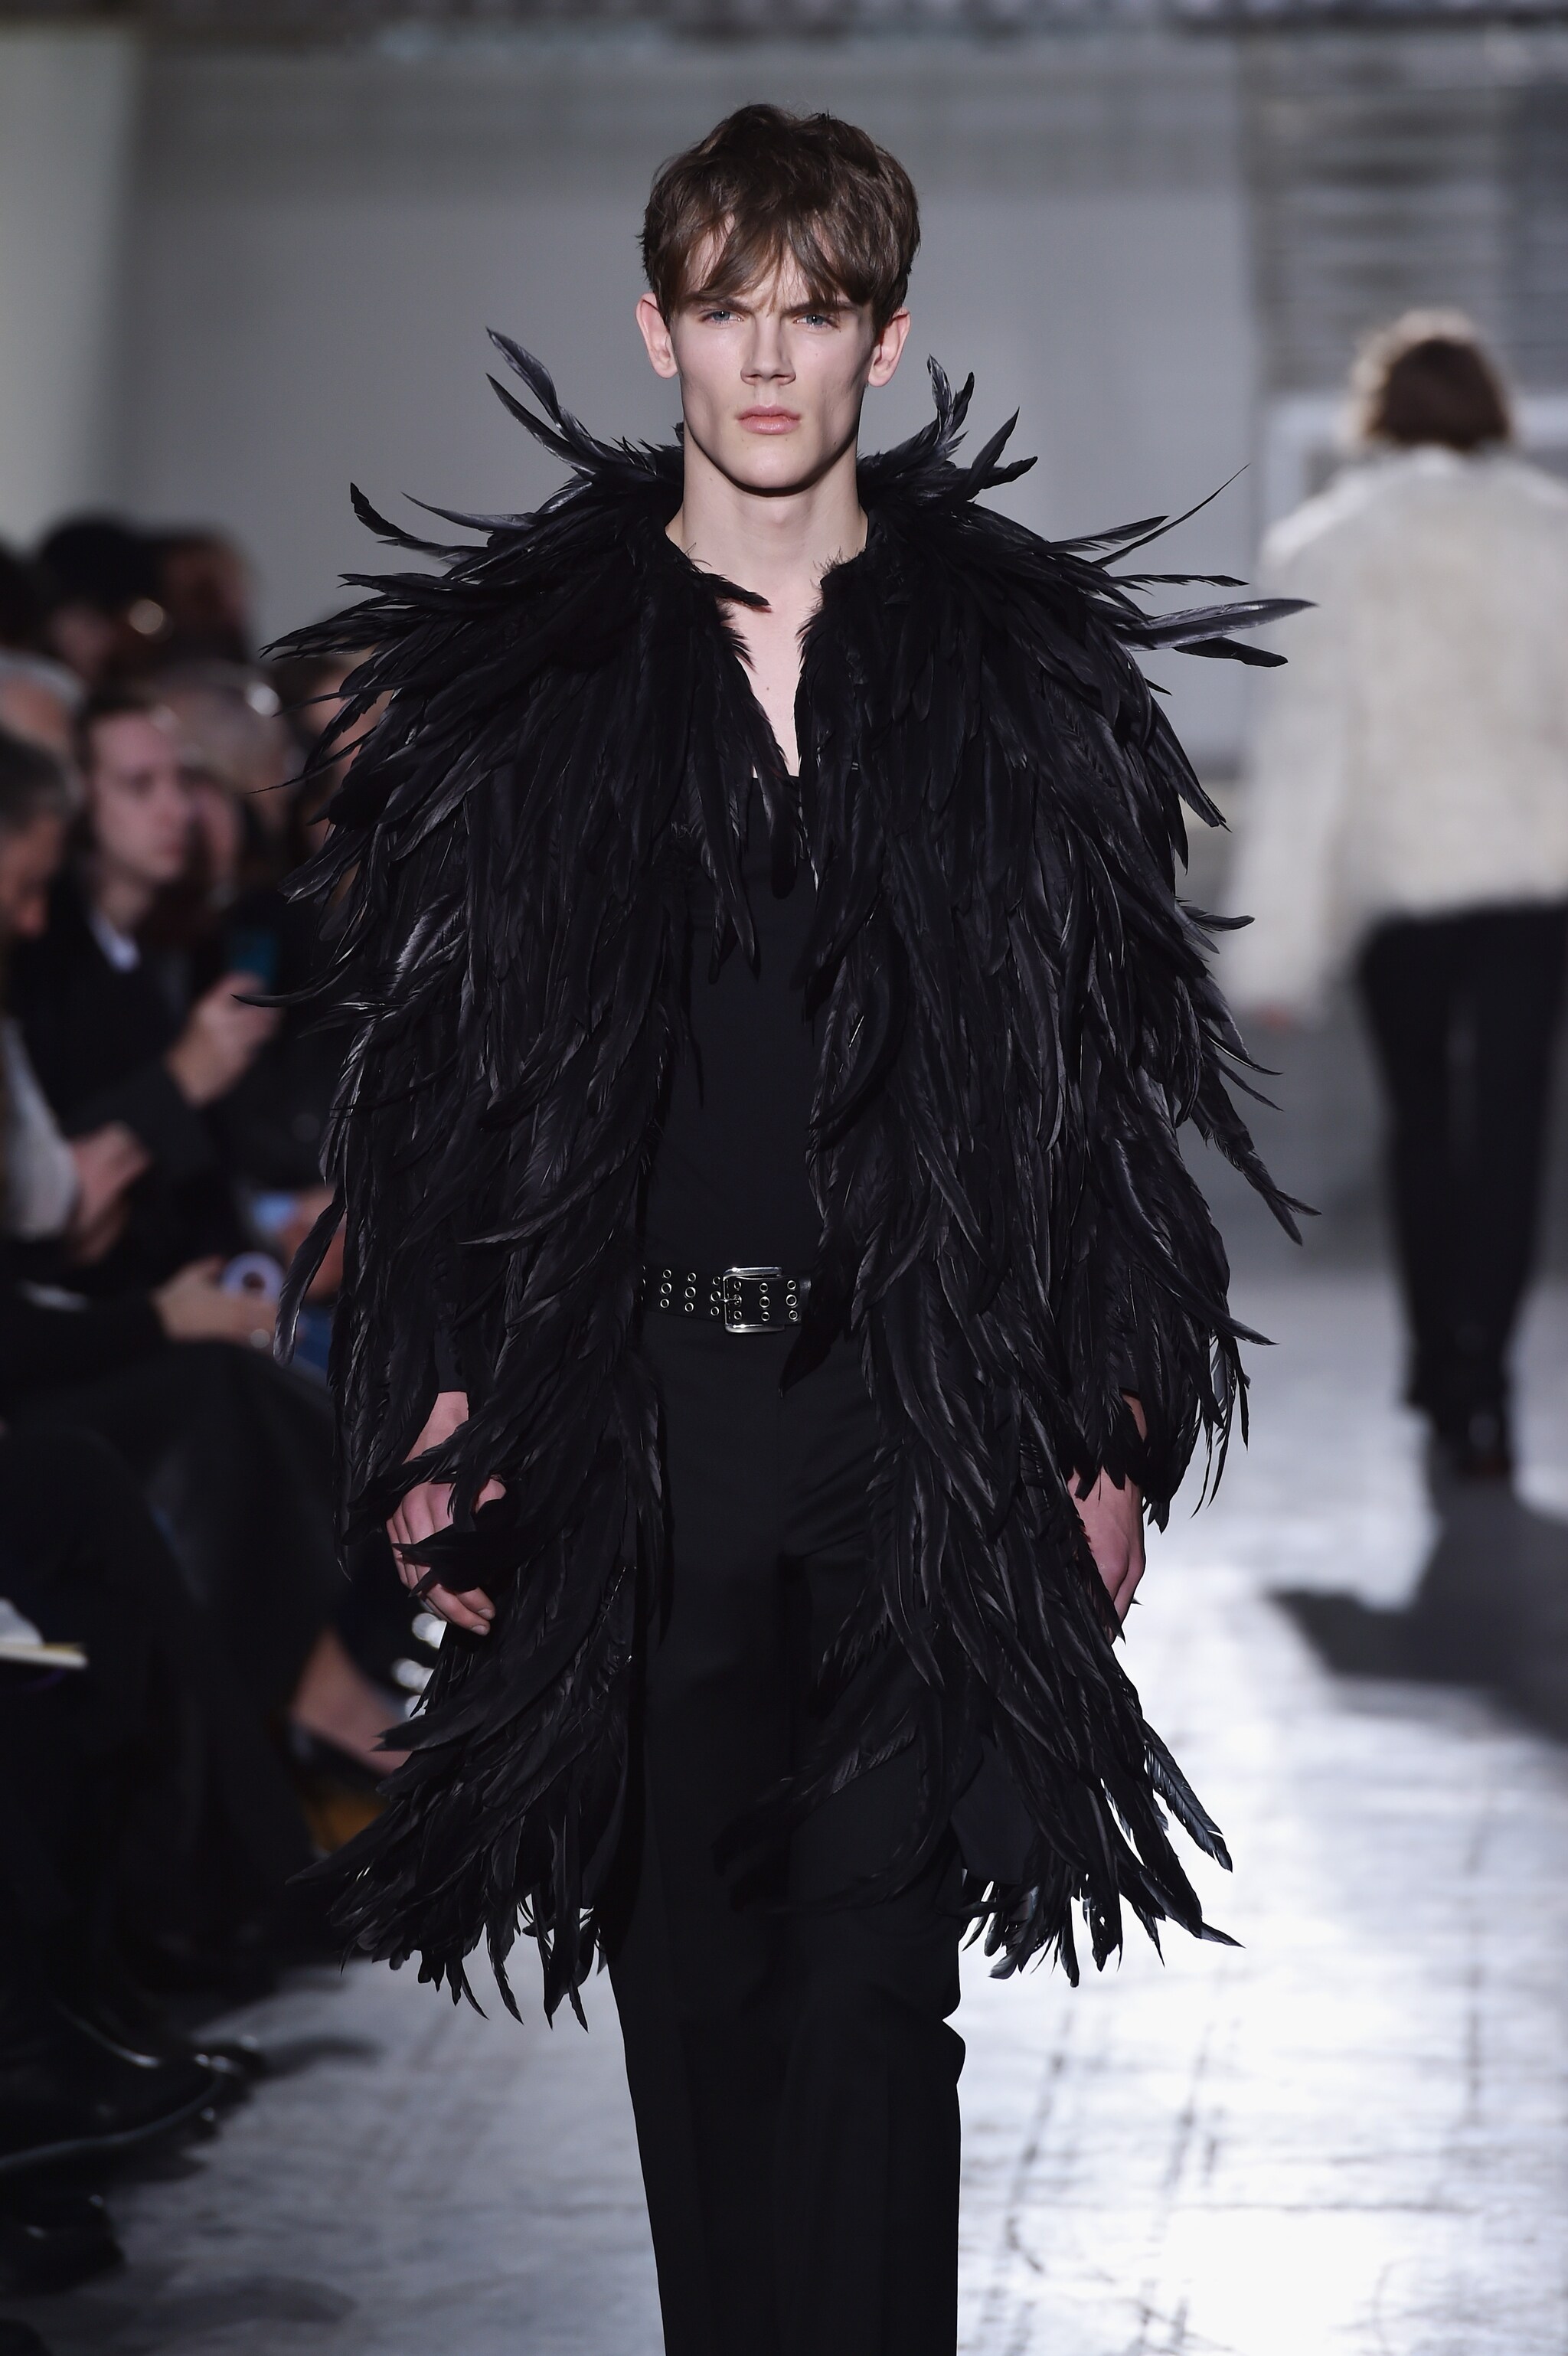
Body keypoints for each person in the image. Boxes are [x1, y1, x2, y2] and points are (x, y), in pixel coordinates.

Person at [281, 106, 1297, 2356]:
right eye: (725, 308)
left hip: (915, 1408)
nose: (767, 357)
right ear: (656, 330)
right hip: (632, 1416)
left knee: (868, 1987)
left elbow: (1096, 1081)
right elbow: (440, 1083)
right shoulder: (536, 676)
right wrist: (437, 1394)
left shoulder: (1010, 673)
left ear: (883, 338)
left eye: (813, 311)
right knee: (697, 1988)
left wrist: (1113, 1422)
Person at [1224, 312, 1568, 1480]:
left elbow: (1308, 755)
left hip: (1400, 886)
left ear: (1376, 415)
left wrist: (1278, 945)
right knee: (1512, 1132)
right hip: (1532, 879)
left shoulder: (1330, 546)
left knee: (1424, 1125)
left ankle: (1437, 1367)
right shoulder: (1551, 535)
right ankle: (1488, 1381)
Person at [10, 688, 276, 1289]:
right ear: (81, 801)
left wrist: (257, 1266)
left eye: (182, 782)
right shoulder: (41, 962)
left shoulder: (162, 949)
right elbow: (50, 1182)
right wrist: (183, 1075)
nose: (177, 810)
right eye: (139, 785)